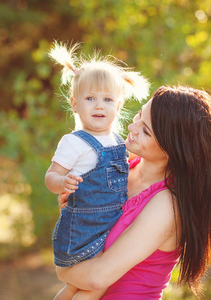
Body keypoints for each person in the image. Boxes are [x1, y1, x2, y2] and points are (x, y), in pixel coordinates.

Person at [56, 85, 211, 299]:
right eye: (139, 114)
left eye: (146, 130)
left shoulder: (167, 204)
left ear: (172, 149)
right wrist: (74, 212)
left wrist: (63, 268)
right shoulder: (120, 168)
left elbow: (97, 277)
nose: (132, 127)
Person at [45, 42, 150, 300]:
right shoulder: (74, 142)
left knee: (75, 287)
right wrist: (63, 183)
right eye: (90, 99)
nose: (99, 106)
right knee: (95, 285)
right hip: (82, 229)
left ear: (118, 104)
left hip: (108, 227)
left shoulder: (118, 142)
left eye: (107, 99)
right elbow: (51, 176)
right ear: (74, 104)